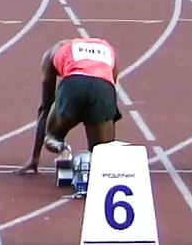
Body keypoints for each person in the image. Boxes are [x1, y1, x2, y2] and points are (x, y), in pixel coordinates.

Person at [15, 37, 120, 175]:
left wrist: (35, 157)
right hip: (103, 88)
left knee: (51, 137)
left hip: (73, 85)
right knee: (100, 151)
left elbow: (45, 107)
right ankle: (96, 176)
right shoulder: (107, 47)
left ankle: (63, 149)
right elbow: (112, 84)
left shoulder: (52, 53)